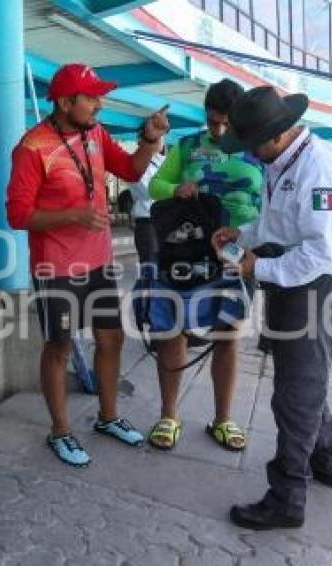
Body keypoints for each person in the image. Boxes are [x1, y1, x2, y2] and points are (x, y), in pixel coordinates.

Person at [6, 63, 170, 467]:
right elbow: (17, 215)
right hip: (55, 266)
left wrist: (150, 138)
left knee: (111, 339)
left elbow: (130, 169)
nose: (100, 103)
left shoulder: (96, 133)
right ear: (65, 102)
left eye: (100, 95)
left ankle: (108, 417)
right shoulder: (32, 146)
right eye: (91, 97)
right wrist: (73, 215)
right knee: (59, 346)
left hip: (98, 262)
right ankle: (60, 431)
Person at [213, 86, 332, 530]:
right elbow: (279, 223)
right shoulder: (285, 161)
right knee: (304, 383)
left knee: (294, 395)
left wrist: (263, 266)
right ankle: (329, 461)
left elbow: (324, 252)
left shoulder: (321, 168)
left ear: (274, 136)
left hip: (314, 290)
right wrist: (241, 233)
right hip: (290, 287)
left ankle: (287, 497)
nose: (251, 156)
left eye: (252, 146)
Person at [145, 79, 262, 452]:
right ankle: (168, 415)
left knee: (227, 334)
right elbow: (156, 185)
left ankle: (223, 419)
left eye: (227, 123)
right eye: (213, 122)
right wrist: (174, 189)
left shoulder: (259, 148)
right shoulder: (189, 146)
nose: (220, 130)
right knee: (171, 330)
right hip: (187, 251)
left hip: (237, 257)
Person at [128, 128, 166, 264]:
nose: (162, 140)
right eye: (157, 137)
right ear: (143, 141)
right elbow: (149, 191)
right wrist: (172, 188)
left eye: (162, 136)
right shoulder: (135, 162)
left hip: (166, 220)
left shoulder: (163, 160)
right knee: (150, 265)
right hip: (148, 222)